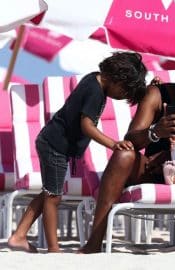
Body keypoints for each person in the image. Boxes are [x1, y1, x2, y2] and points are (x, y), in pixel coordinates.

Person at [7, 52, 147, 253]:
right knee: (53, 196)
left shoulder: (94, 78)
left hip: (52, 143)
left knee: (49, 192)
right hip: (54, 146)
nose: (123, 97)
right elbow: (86, 125)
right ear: (117, 79)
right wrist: (113, 143)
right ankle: (53, 250)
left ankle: (19, 235)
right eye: (125, 91)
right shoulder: (96, 92)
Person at [79, 48, 175, 253]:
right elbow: (131, 138)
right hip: (154, 170)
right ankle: (94, 243)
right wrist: (156, 132)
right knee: (124, 154)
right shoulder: (157, 95)